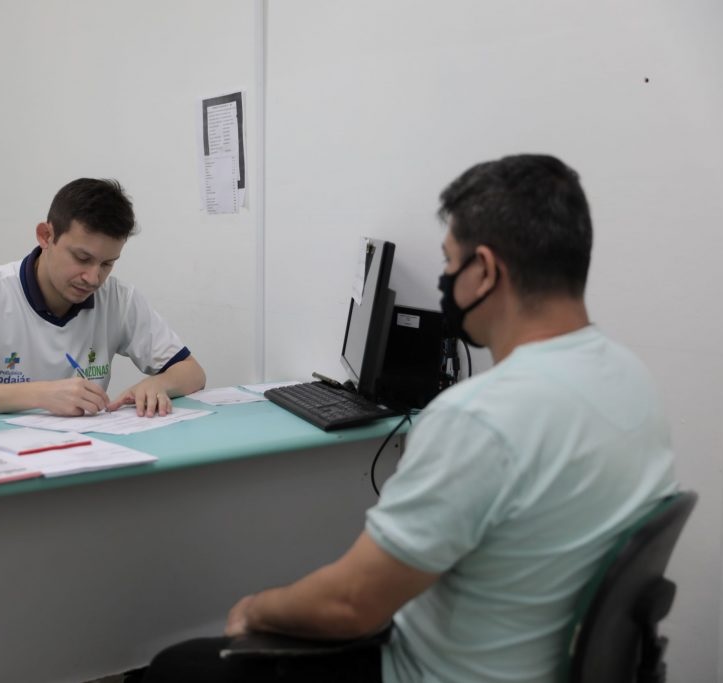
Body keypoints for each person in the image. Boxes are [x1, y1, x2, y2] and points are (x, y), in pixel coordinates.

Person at [141, 154, 676, 682]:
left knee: (176, 669)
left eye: (449, 262)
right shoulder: (633, 381)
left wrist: (255, 609)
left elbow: (351, 605)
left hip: (427, 672)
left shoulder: (478, 418)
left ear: (485, 271)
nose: (445, 280)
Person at [0, 178, 206, 418]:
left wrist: (159, 384)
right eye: (82, 258)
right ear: (46, 236)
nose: (93, 278)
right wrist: (41, 395)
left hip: (84, 454)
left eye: (107, 263)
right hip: (0, 454)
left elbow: (193, 373)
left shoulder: (118, 299)